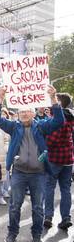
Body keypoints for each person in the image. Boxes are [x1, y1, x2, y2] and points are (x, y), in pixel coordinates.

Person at [0, 85, 64, 242]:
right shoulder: (13, 127)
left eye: (27, 111)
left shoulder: (42, 126)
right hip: (18, 173)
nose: (24, 113)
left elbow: (59, 121)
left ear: (33, 113)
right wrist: (0, 99)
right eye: (21, 111)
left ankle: (37, 235)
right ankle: (12, 233)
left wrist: (53, 99)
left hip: (39, 174)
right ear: (18, 114)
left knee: (38, 208)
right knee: (15, 206)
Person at [44, 93, 74, 229]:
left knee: (49, 187)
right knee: (66, 189)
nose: (51, 102)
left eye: (54, 100)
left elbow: (52, 140)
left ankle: (48, 216)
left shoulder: (59, 119)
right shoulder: (71, 117)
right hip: (68, 159)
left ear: (59, 103)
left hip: (55, 159)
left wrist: (43, 140)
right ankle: (66, 217)